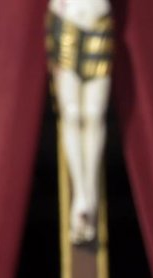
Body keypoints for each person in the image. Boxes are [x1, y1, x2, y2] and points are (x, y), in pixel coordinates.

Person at [45, 0, 113, 244]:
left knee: (94, 113)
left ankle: (90, 195)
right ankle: (81, 196)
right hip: (67, 19)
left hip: (98, 18)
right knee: (71, 113)